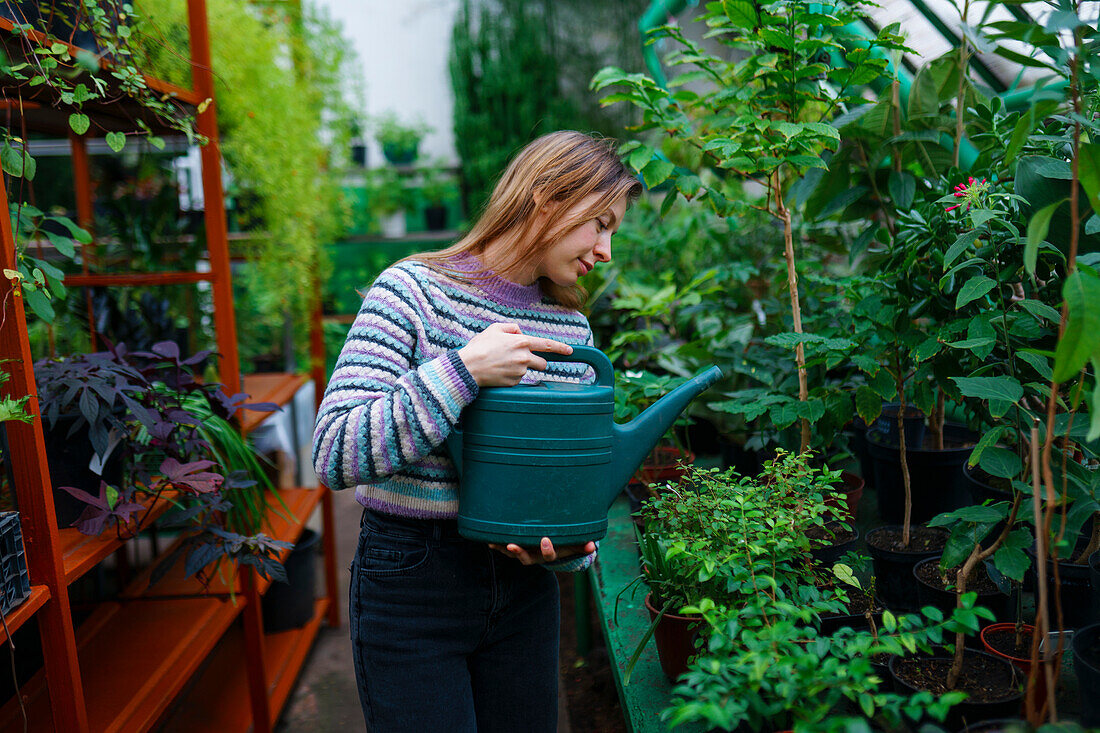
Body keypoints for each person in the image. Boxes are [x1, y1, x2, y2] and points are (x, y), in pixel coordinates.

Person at [312, 130, 643, 732]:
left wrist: (566, 551)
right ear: (546, 195)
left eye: (613, 230)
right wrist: (463, 370)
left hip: (525, 596)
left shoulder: (570, 330)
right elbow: (336, 452)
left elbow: (557, 492)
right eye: (600, 223)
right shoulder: (411, 291)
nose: (606, 249)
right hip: (412, 583)